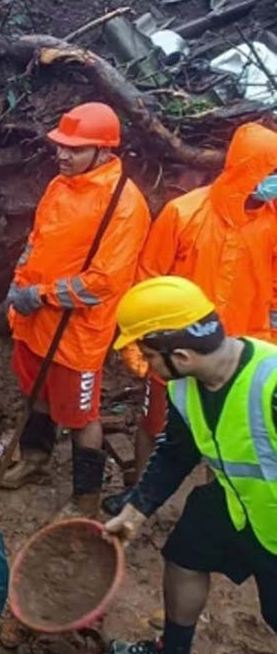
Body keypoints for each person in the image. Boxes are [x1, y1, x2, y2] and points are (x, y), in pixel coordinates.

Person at [105, 276, 277, 654]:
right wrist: (136, 510)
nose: (145, 365)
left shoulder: (271, 384)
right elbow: (176, 453)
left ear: (180, 355)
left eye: (147, 355)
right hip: (235, 503)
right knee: (184, 556)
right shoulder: (186, 387)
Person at [104, 122, 277, 515]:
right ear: (249, 170)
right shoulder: (183, 214)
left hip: (242, 353)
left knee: (234, 434)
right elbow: (148, 277)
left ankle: (220, 507)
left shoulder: (273, 221)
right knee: (156, 424)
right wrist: (137, 341)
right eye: (271, 173)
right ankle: (139, 495)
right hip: (174, 347)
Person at [0, 102, 151, 519]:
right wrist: (19, 280)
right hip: (34, 321)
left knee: (82, 417)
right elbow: (37, 240)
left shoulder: (124, 205)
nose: (63, 155)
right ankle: (34, 458)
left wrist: (43, 294)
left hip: (76, 331)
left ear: (104, 152)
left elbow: (103, 282)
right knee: (36, 393)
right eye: (61, 146)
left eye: (75, 148)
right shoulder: (60, 185)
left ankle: (84, 499)